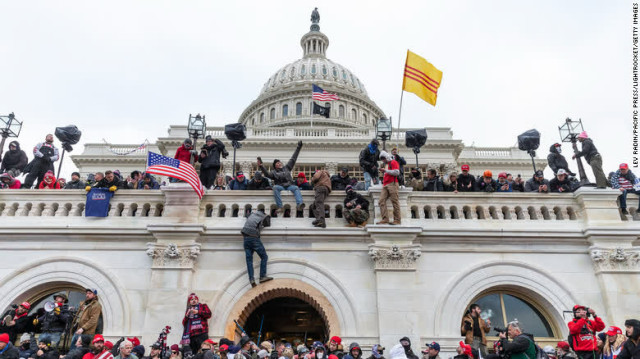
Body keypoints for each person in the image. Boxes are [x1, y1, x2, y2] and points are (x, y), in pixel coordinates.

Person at [257, 141, 305, 215]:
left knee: (296, 188)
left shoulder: (287, 168)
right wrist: (261, 166)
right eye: (277, 163)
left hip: (289, 186)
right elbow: (267, 174)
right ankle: (280, 206)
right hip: (281, 186)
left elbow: (293, 158)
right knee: (275, 187)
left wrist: (298, 147)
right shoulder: (273, 172)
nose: (279, 164)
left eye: (280, 162)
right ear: (275, 166)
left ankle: (299, 204)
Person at [241, 209, 273, 286]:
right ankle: (262, 276)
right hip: (254, 238)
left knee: (249, 260)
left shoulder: (252, 214)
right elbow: (268, 224)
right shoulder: (264, 216)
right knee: (264, 257)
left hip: (245, 238)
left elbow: (246, 214)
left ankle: (251, 279)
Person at [376, 151, 401, 225]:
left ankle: (397, 220)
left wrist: (385, 170)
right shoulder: (387, 164)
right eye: (382, 159)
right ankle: (385, 219)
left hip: (392, 183)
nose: (383, 160)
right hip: (385, 185)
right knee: (381, 201)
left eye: (383, 158)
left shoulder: (393, 162)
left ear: (386, 157)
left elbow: (397, 172)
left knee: (395, 202)